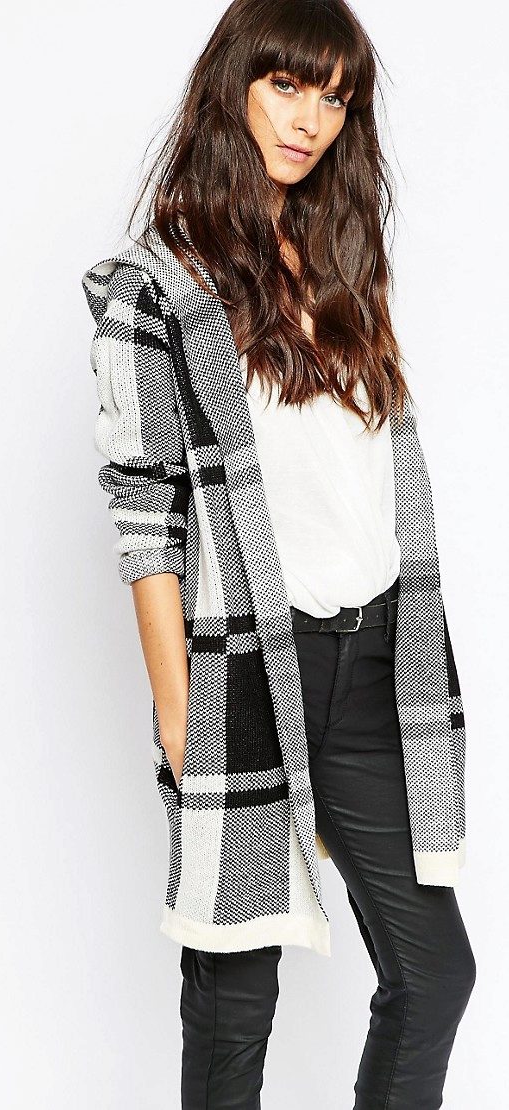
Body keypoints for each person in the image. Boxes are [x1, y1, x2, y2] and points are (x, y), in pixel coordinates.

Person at [80, 0, 475, 1106]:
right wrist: (179, 711)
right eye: (287, 86)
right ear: (234, 87)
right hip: (252, 667)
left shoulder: (346, 262)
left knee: (434, 975)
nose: (310, 121)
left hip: (377, 657)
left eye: (335, 99)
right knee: (236, 993)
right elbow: (145, 509)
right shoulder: (155, 286)